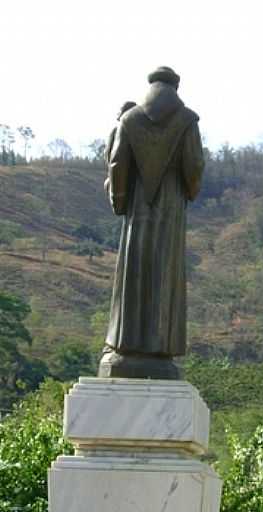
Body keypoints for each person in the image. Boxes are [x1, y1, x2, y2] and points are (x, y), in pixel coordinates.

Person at [99, 66, 205, 380]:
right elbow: (195, 166)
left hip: (138, 212)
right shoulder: (187, 121)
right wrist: (188, 189)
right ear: (175, 89)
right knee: (164, 276)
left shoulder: (129, 120)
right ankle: (160, 349)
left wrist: (119, 201)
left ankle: (125, 347)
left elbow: (117, 163)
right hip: (170, 213)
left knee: (134, 274)